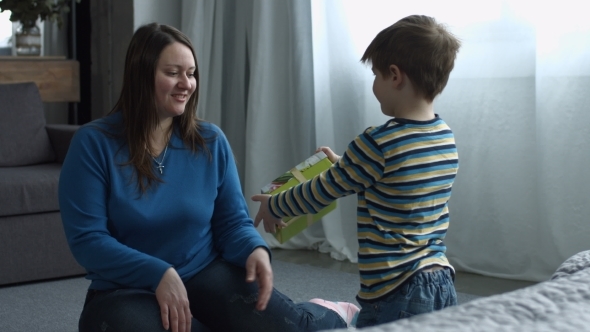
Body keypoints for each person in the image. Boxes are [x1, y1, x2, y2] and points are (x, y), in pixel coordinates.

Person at [59, 23, 359, 332]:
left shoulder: (210, 140)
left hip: (205, 271)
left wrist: (255, 249)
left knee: (292, 327)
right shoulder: (93, 143)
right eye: (173, 73)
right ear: (140, 75)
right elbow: (88, 241)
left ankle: (330, 311)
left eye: (191, 74)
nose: (186, 84)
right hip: (124, 290)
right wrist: (159, 273)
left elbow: (232, 222)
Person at [252, 15, 461, 328]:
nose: (374, 84)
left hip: (396, 288)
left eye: (375, 75)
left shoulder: (378, 142)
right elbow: (399, 182)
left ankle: (341, 317)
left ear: (395, 76)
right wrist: (345, 163)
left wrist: (276, 204)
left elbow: (322, 190)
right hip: (441, 280)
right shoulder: (444, 136)